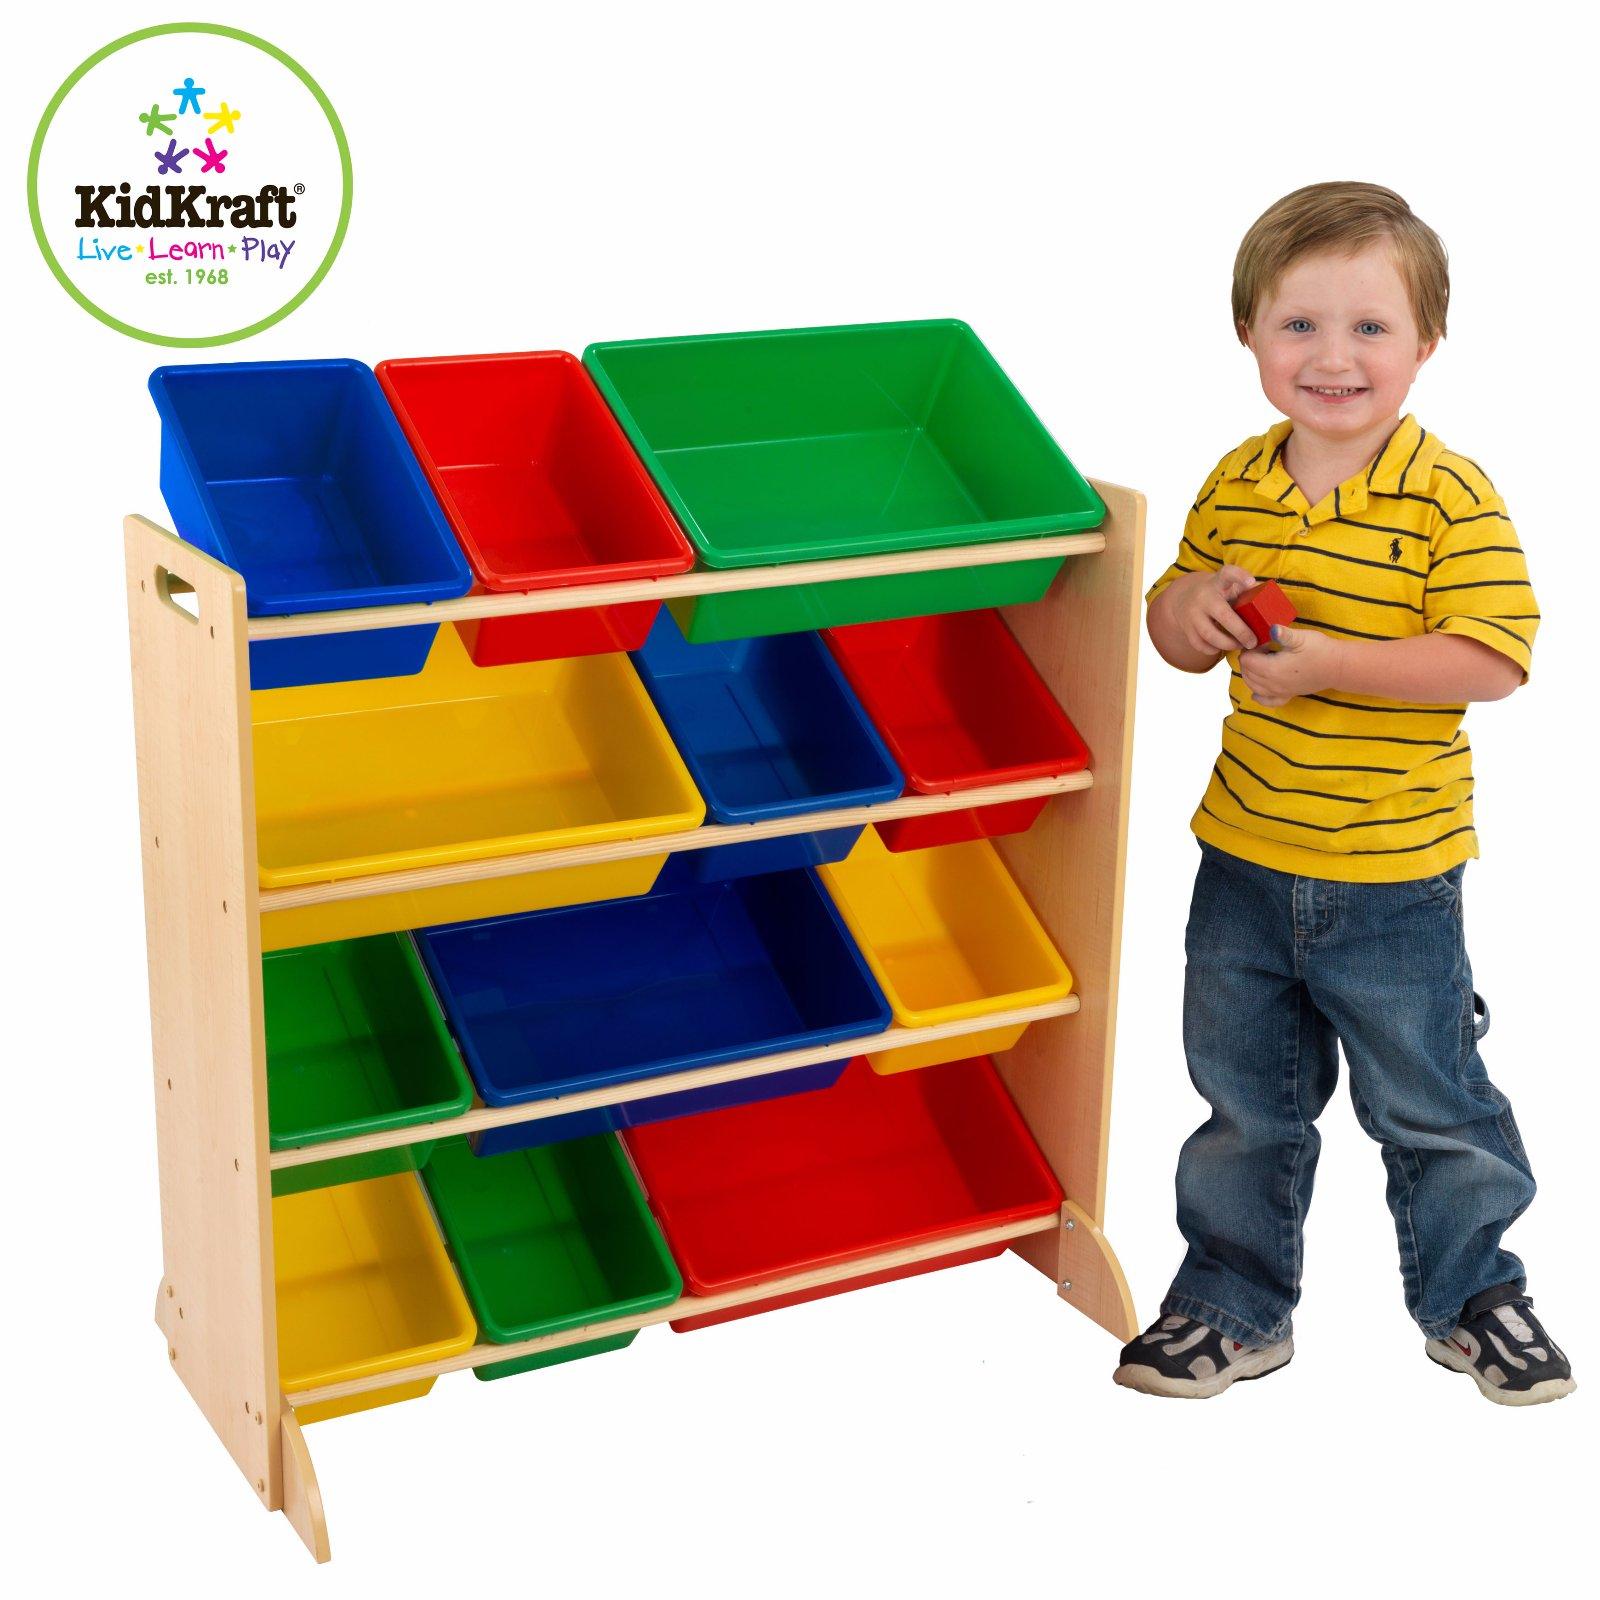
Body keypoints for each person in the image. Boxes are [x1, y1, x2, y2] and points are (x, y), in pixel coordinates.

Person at [1114, 181, 1572, 1406]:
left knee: (1430, 1102)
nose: (1332, 357)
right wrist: (1189, 607)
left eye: (1369, 327)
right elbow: (1169, 630)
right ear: (1248, 334)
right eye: (1298, 325)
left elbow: (1491, 659)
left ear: (1426, 342)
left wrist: (1332, 667)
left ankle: (1474, 1295)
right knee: (1242, 1105)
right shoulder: (1237, 480)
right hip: (1243, 856)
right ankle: (1231, 1302)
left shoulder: (1447, 495)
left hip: (1393, 872)